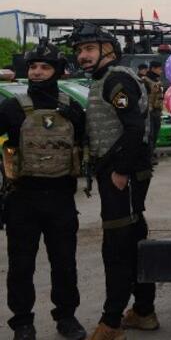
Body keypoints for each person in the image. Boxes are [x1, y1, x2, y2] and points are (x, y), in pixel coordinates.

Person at [69, 22, 158, 340]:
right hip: (123, 174)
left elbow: (134, 128)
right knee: (133, 240)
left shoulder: (116, 79)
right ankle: (144, 312)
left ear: (109, 50)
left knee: (117, 248)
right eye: (80, 50)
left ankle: (112, 323)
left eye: (90, 49)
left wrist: (120, 170)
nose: (83, 56)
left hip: (124, 176)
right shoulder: (105, 80)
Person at [0, 40, 87, 340]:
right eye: (33, 66)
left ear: (57, 72)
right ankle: (22, 323)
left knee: (64, 263)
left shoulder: (72, 108)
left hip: (61, 198)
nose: (37, 72)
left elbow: (90, 143)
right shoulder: (12, 107)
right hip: (23, 198)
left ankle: (67, 318)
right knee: (20, 266)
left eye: (45, 67)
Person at [141, 61, 164, 165]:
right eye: (159, 68)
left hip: (156, 111)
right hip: (149, 112)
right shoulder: (145, 81)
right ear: (153, 68)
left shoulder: (156, 80)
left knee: (154, 135)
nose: (161, 71)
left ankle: (150, 155)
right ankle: (147, 158)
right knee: (149, 135)